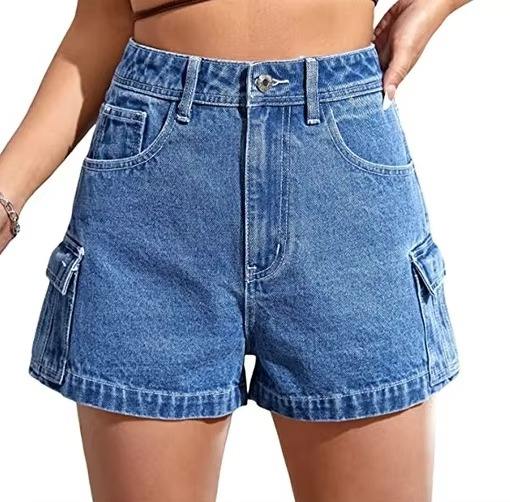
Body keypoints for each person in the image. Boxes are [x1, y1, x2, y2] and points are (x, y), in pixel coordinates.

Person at [0, 0, 469, 500]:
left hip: (341, 181)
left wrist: (433, 6)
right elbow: (106, 19)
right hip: (155, 187)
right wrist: (6, 194)